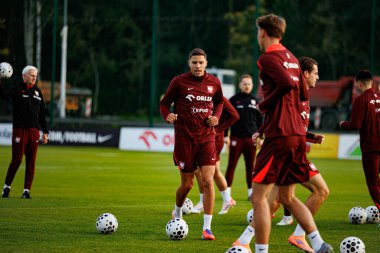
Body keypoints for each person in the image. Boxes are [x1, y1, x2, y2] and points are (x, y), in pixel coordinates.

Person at [231, 14, 333, 253]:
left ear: (262, 32)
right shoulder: (291, 57)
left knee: (259, 200)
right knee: (286, 197)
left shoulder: (267, 58)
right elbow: (302, 96)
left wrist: (266, 105)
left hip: (279, 136)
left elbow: (286, 84)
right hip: (296, 135)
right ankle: (317, 242)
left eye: (258, 32)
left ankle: (260, 249)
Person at [160, 48, 224, 240]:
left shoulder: (214, 82)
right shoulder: (178, 82)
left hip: (206, 139)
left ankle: (207, 228)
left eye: (201, 63)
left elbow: (220, 102)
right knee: (187, 185)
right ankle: (177, 212)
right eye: (194, 62)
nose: (198, 66)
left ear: (206, 64)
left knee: (207, 181)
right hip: (184, 140)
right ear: (189, 63)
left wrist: (216, 117)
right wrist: (167, 115)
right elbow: (164, 104)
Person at [268, 56, 330, 252]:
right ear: (305, 74)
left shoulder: (303, 96)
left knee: (277, 199)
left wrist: (311, 136)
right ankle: (299, 235)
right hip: (291, 153)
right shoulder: (294, 94)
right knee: (321, 191)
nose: (318, 78)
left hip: (293, 150)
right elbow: (279, 119)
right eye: (316, 73)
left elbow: (297, 128)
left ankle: (243, 240)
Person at [1, 66, 49, 199]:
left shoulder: (38, 92)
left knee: (31, 162)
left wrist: (45, 132)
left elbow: (42, 115)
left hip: (34, 132)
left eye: (35, 76)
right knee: (16, 160)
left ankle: (26, 191)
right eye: (32, 75)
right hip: (19, 130)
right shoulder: (17, 88)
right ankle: (6, 187)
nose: (34, 78)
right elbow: (4, 95)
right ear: (24, 76)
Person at [340, 69, 380, 211]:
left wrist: (343, 123)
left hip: (371, 147)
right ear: (372, 82)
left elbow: (355, 125)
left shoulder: (360, 100)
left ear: (358, 83)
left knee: (373, 182)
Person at [192, 96, 239, 215]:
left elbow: (235, 116)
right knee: (214, 171)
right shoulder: (200, 96)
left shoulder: (219, 97)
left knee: (199, 170)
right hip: (204, 138)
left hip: (213, 139)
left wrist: (219, 129)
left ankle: (203, 201)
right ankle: (227, 199)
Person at [224, 74, 262, 200]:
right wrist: (225, 136)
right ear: (239, 85)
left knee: (251, 167)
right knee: (231, 165)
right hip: (236, 137)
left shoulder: (255, 101)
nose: (247, 86)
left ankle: (251, 193)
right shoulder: (233, 100)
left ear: (252, 86)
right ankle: (227, 193)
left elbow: (260, 121)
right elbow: (226, 119)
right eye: (244, 83)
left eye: (249, 84)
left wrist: (261, 137)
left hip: (251, 139)